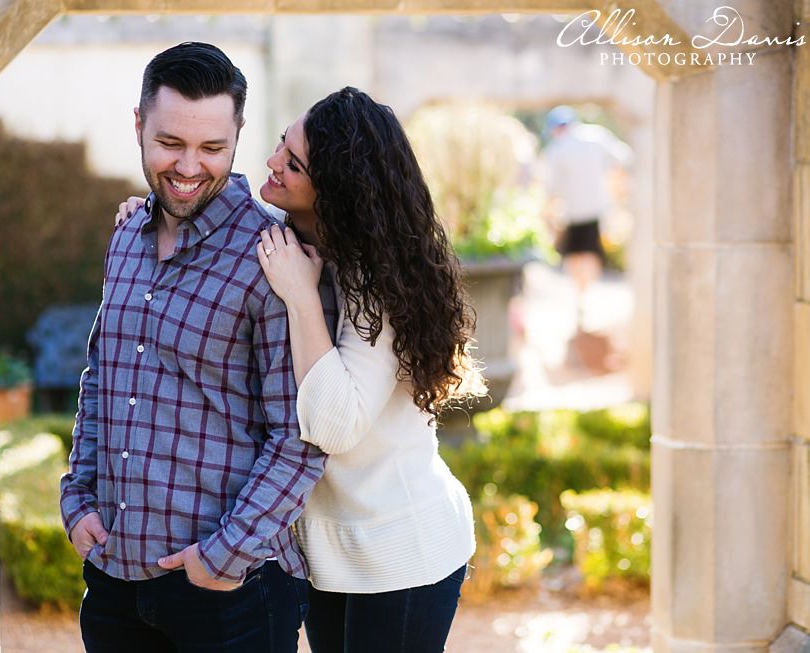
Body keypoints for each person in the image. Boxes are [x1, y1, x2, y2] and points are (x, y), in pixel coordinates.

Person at [117, 86, 480, 653]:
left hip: (398, 551)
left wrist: (302, 299)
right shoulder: (296, 243)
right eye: (281, 144)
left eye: (293, 162)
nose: (272, 162)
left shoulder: (372, 280)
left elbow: (334, 427)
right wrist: (149, 214)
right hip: (326, 553)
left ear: (334, 188)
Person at [60, 42, 337, 653]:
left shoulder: (275, 257)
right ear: (138, 125)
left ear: (239, 132)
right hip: (113, 579)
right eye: (170, 144)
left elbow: (303, 434)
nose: (189, 167)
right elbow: (103, 380)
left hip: (231, 595)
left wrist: (224, 556)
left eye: (213, 148)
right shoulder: (127, 237)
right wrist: (76, 499)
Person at [539, 105, 633, 328]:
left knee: (575, 255)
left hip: (572, 211)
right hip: (598, 208)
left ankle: (580, 297)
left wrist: (547, 214)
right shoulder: (596, 135)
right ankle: (586, 295)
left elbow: (551, 188)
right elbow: (623, 158)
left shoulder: (556, 149)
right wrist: (619, 189)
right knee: (591, 253)